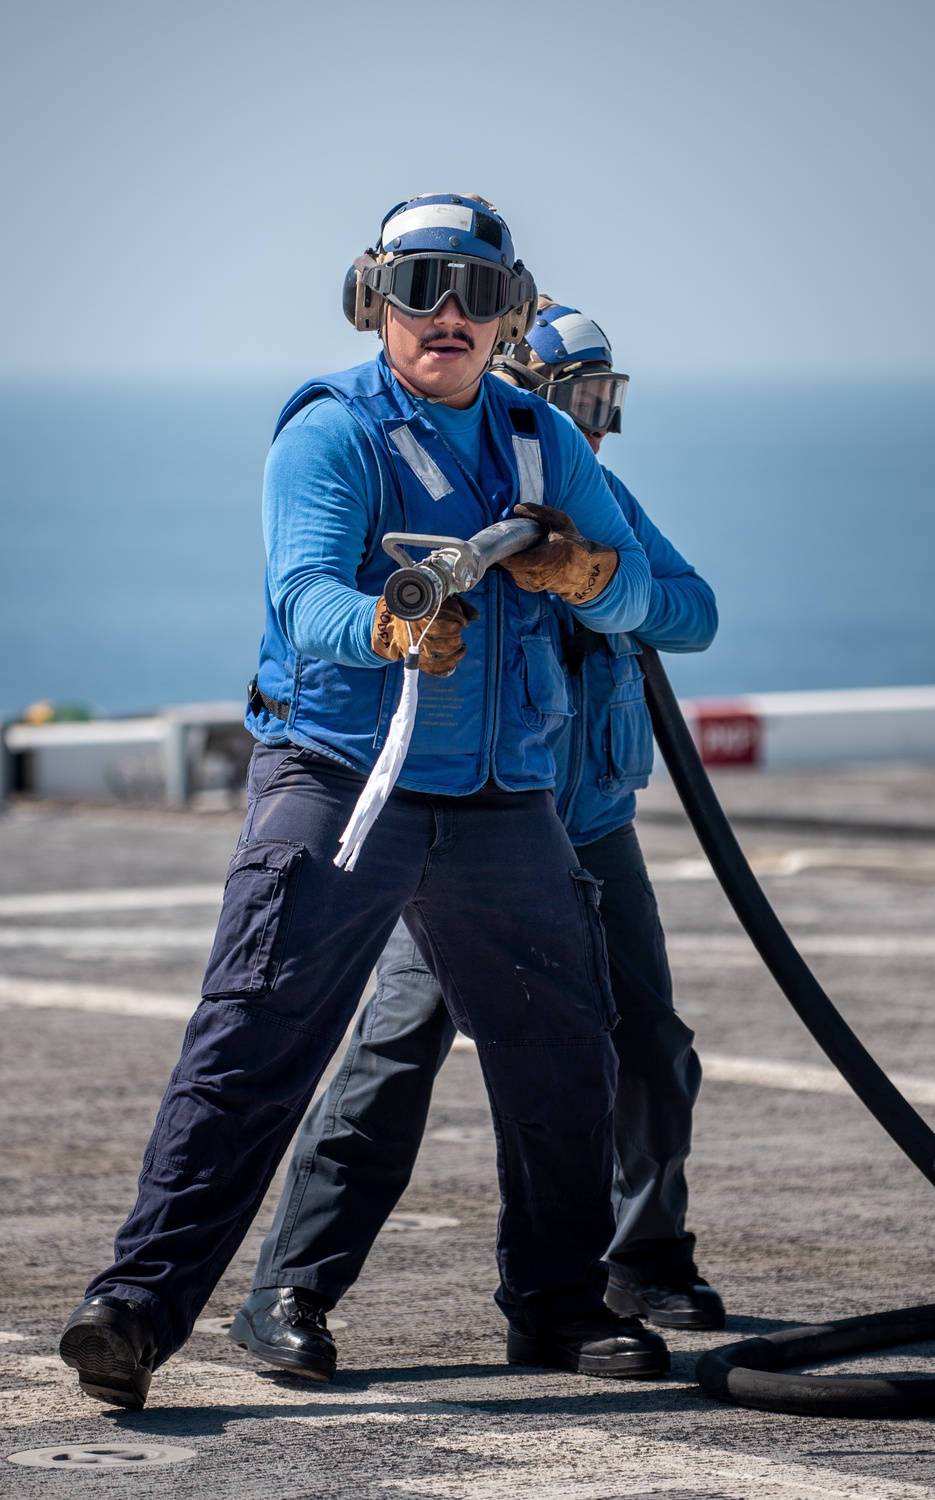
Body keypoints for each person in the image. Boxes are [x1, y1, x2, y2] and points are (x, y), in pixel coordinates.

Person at [58, 193, 667, 1410]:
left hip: (504, 804)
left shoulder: (549, 447)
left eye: (478, 293)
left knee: (563, 1062)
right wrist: (388, 625)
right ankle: (135, 1309)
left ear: (508, 315)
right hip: (342, 785)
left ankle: (553, 1307)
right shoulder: (329, 433)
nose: (447, 314)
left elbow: (654, 595)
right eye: (422, 287)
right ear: (371, 299)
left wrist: (590, 577)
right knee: (251, 1045)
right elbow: (300, 596)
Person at [227, 298, 723, 1385]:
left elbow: (689, 610)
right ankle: (289, 1295)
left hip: (588, 825)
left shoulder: (590, 504)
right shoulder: (457, 484)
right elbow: (323, 600)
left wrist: (592, 575)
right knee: (391, 1062)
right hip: (476, 826)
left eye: (606, 401)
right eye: (576, 400)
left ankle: (637, 1260)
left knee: (645, 1052)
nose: (592, 427)